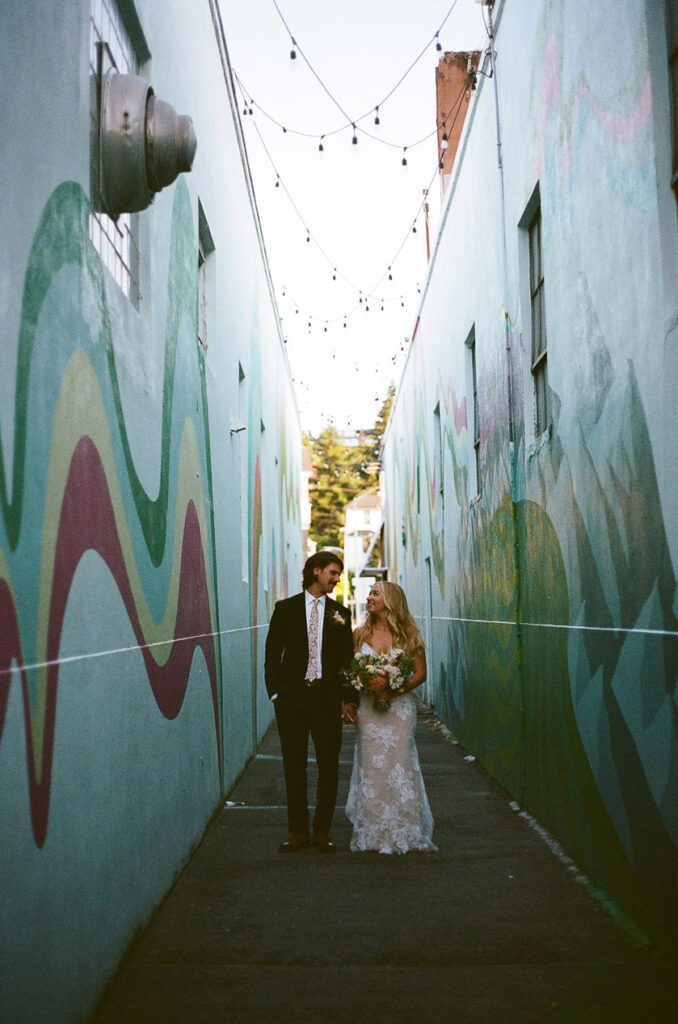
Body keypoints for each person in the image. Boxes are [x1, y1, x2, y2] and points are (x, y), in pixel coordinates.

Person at [265, 551, 355, 853]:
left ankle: (322, 832)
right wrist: (275, 693)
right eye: (332, 572)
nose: (336, 579)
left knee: (329, 766)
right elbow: (272, 653)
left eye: (338, 574)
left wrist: (348, 700)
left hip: (326, 700)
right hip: (292, 700)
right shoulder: (286, 608)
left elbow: (347, 660)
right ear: (316, 572)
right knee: (294, 766)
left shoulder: (340, 613)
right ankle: (298, 832)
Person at [345, 581, 437, 854]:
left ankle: (405, 832)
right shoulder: (360, 633)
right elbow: (353, 669)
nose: (368, 597)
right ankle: (373, 833)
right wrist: (366, 683)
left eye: (375, 593)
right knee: (371, 767)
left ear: (390, 600)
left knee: (400, 765)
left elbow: (420, 673)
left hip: (399, 711)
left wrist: (393, 690)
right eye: (370, 593)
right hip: (369, 711)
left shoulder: (408, 635)